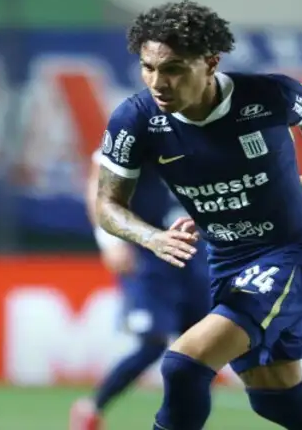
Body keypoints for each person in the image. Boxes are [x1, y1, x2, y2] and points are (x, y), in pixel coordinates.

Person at [95, 0, 302, 430]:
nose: (157, 82)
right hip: (226, 263)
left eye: (173, 68)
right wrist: (151, 237)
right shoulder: (136, 119)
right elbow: (108, 205)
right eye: (148, 67)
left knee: (183, 365)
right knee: (279, 403)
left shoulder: (268, 95)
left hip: (293, 255)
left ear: (210, 63)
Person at [70, 150, 210, 430]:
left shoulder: (209, 124)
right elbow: (100, 181)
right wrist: (109, 242)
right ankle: (93, 406)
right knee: (153, 342)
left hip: (197, 252)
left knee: (201, 348)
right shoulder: (143, 122)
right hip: (149, 250)